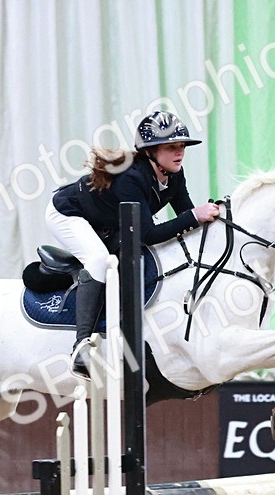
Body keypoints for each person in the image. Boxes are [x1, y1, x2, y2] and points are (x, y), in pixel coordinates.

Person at [47, 110, 221, 377]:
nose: (180, 152)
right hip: (68, 214)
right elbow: (148, 234)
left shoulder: (174, 174)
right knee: (97, 259)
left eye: (182, 146)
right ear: (151, 151)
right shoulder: (132, 178)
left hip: (108, 221)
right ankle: (81, 345)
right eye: (171, 147)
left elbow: (186, 215)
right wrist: (195, 216)